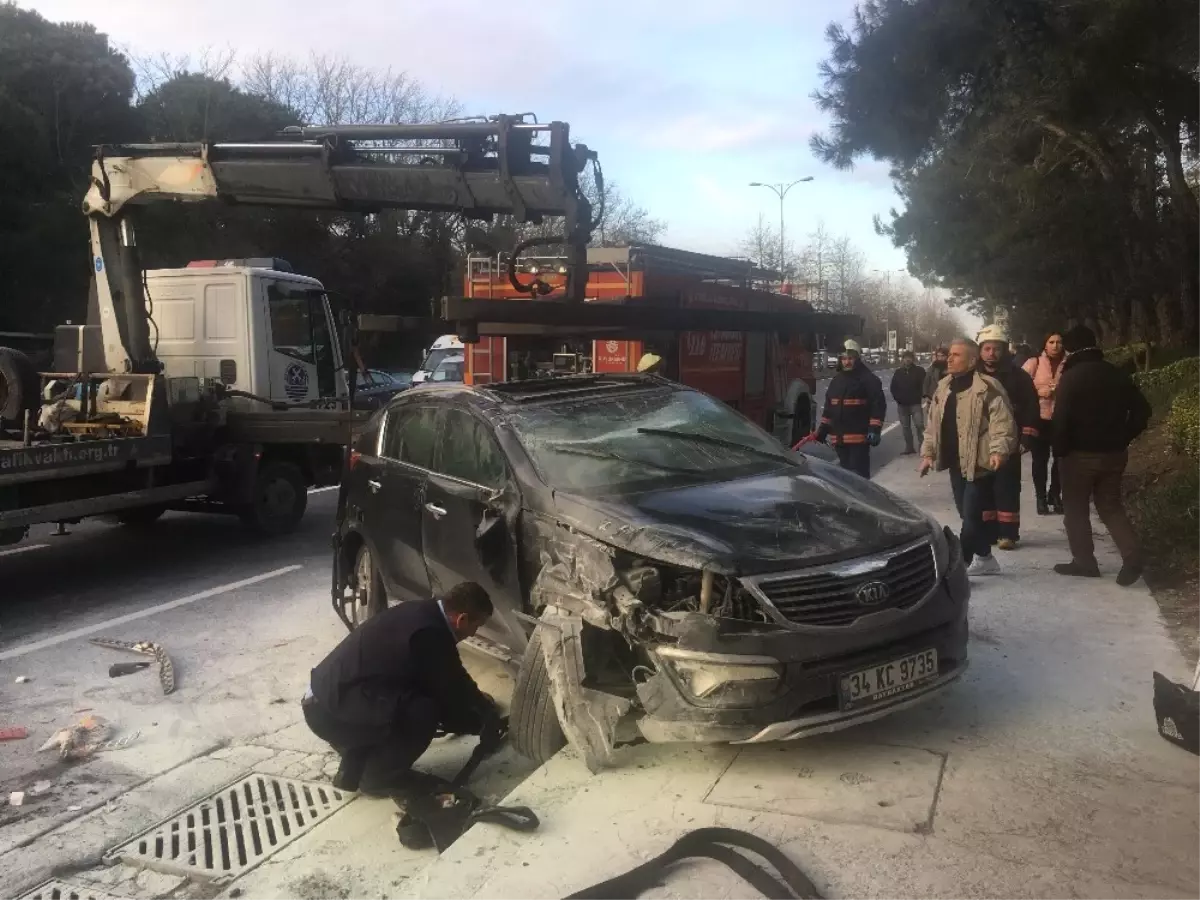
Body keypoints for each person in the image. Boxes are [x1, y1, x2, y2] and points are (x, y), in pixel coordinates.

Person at [302, 581, 499, 796]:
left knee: (411, 697)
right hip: (331, 716)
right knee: (423, 712)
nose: (473, 633)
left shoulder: (421, 612)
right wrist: (481, 717)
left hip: (325, 700)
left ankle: (356, 761)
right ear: (462, 619)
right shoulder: (430, 634)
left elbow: (447, 679)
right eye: (476, 626)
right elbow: (451, 688)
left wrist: (476, 706)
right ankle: (378, 778)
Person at [1051, 325, 1152, 586]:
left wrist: (1060, 451)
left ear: (1070, 348)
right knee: (1110, 505)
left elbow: (1060, 419)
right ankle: (1132, 555)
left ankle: (1085, 562)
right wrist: (1124, 436)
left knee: (1075, 508)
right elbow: (1143, 411)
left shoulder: (1071, 377)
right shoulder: (1116, 373)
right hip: (1114, 454)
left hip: (1078, 455)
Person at [919, 338, 1017, 576]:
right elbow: (932, 425)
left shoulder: (988, 387)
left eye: (956, 355)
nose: (949, 359)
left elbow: (1003, 424)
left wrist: (998, 450)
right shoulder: (943, 387)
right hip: (955, 463)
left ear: (972, 360)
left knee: (971, 519)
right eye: (950, 354)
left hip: (980, 463)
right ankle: (985, 558)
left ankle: (957, 569)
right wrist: (928, 453)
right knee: (967, 514)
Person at [976, 325, 1041, 550]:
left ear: (1004, 350)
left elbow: (1032, 407)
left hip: (1008, 442)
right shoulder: (972, 376)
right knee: (981, 489)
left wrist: (1027, 437)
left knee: (1007, 488)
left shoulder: (1018, 377)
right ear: (980, 350)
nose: (991, 353)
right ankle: (988, 532)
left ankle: (1008, 534)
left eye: (996, 349)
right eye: (987, 348)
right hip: (979, 443)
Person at [816, 339, 887, 479]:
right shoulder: (836, 381)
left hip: (859, 440)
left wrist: (874, 429)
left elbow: (877, 405)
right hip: (839, 440)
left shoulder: (869, 380)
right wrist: (823, 429)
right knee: (845, 478)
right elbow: (829, 408)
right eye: (844, 359)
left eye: (850, 358)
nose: (847, 362)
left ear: (857, 359)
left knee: (859, 478)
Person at [1023, 333, 1066, 515]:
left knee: (1061, 460)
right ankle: (1040, 498)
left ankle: (1055, 494)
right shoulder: (1034, 363)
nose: (1055, 345)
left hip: (1062, 418)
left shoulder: (1070, 363)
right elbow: (1022, 387)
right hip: (1039, 419)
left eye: (1059, 342)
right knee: (1039, 460)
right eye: (1051, 342)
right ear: (1045, 345)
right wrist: (1042, 392)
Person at [890, 350, 927, 455]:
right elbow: (893, 387)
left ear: (913, 359)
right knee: (906, 427)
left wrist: (922, 395)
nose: (908, 359)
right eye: (905, 357)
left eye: (910, 357)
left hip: (915, 403)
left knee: (919, 425)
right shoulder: (898, 372)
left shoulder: (919, 371)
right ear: (902, 359)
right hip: (902, 405)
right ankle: (909, 447)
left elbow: (924, 385)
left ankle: (923, 447)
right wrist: (898, 398)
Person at [923, 346, 949, 413]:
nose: (940, 358)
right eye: (938, 356)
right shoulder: (933, 367)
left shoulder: (951, 367)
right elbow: (926, 381)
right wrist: (926, 396)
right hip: (933, 397)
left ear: (947, 356)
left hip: (948, 398)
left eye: (942, 356)